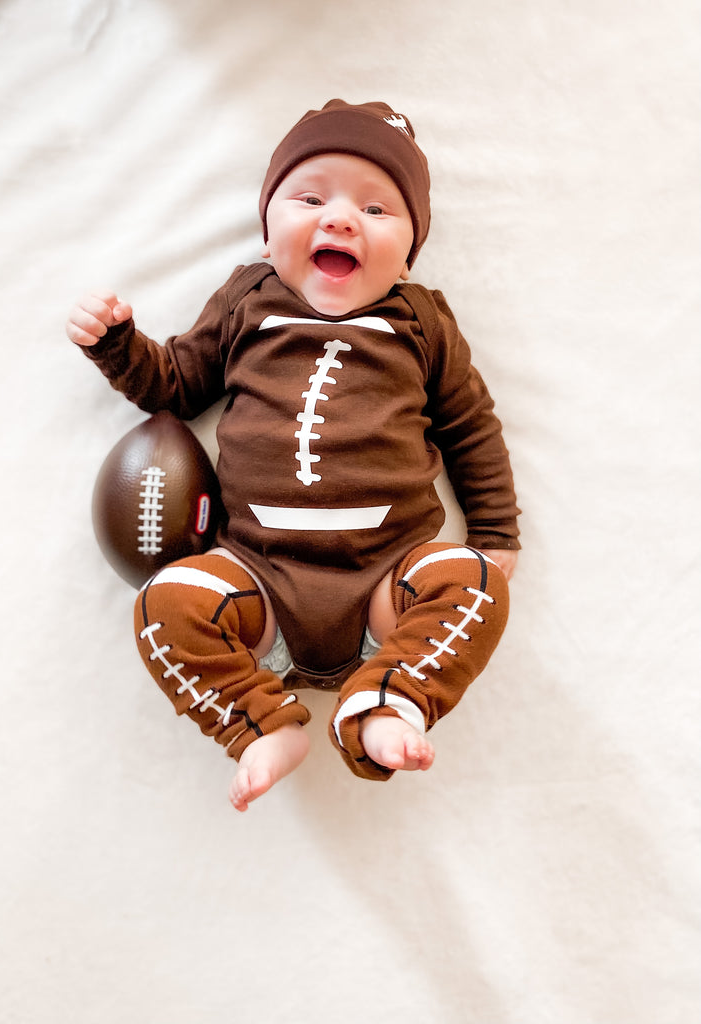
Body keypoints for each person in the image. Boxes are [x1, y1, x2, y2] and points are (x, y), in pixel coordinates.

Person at [66, 99, 521, 812]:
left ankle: (385, 701)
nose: (340, 218)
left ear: (409, 249)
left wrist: (495, 533)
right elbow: (179, 387)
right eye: (310, 198)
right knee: (163, 605)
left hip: (387, 581)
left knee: (481, 585)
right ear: (269, 223)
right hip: (257, 578)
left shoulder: (421, 321)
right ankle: (259, 724)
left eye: (376, 210)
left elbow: (470, 428)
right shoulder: (249, 300)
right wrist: (119, 347)